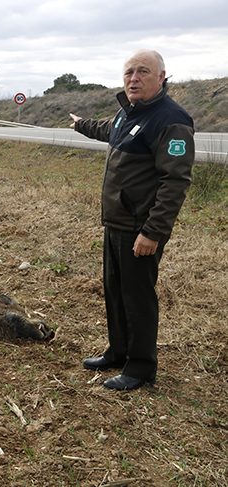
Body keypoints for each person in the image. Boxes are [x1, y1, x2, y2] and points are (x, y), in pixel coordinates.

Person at [70, 49, 195, 391]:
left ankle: (140, 368)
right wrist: (81, 125)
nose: (134, 78)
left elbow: (175, 182)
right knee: (115, 291)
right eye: (129, 72)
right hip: (117, 222)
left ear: (162, 77)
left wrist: (152, 232)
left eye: (143, 72)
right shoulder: (129, 113)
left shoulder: (171, 120)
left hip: (141, 227)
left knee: (137, 297)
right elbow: (109, 129)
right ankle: (118, 351)